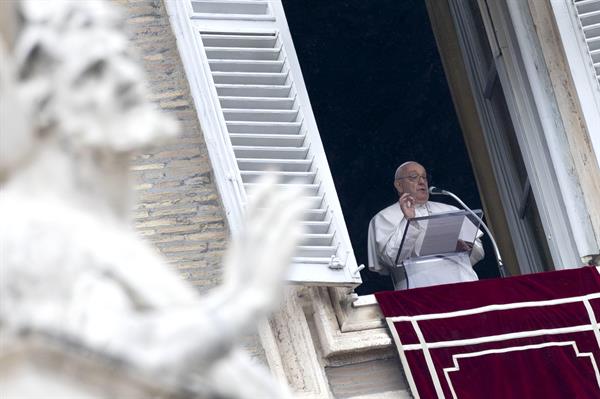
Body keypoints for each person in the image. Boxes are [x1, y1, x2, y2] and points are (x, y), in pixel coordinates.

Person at [367, 161, 484, 290]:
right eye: (413, 177)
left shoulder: (451, 210)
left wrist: (467, 248)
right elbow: (392, 258)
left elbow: (478, 250)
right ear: (399, 185)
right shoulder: (383, 217)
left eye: (424, 177)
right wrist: (409, 220)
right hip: (420, 291)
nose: (422, 182)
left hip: (464, 285)